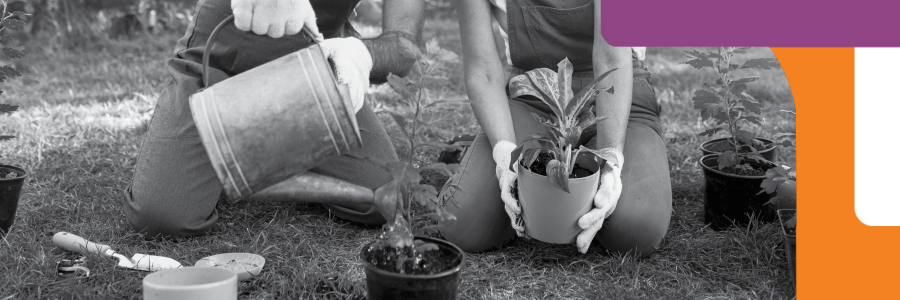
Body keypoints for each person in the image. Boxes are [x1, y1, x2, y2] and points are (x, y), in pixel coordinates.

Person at [123, 0, 425, 238]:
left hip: (312, 77)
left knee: (386, 195)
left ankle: (260, 150)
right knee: (163, 216)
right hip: (221, 64)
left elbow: (405, 48)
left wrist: (361, 52)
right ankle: (246, 146)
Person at [437, 0, 672, 257]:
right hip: (536, 93)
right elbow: (483, 70)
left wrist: (612, 159)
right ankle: (479, 154)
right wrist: (504, 153)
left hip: (617, 91)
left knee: (637, 231)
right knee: (465, 225)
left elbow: (611, 58)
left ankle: (609, 163)